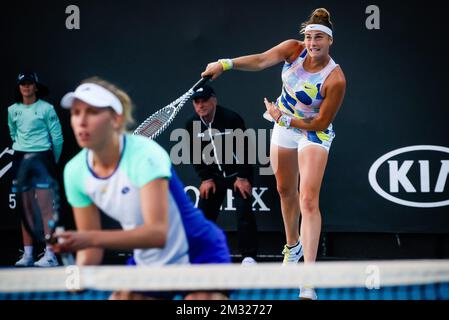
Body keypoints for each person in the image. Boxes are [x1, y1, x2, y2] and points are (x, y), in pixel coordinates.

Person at [201, 8, 346, 299]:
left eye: (319, 38)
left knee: (308, 198)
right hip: (283, 123)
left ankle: (308, 280)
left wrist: (284, 119)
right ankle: (293, 246)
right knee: (284, 190)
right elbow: (261, 60)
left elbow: (320, 122)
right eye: (308, 37)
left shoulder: (336, 79)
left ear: (330, 41)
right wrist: (225, 63)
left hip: (312, 132)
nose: (312, 43)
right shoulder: (293, 50)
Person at [54, 77, 231, 300]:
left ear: (116, 119)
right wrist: (75, 278)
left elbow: (157, 234)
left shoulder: (145, 155)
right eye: (76, 112)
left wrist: (88, 238)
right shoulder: (75, 172)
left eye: (92, 112)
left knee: (201, 302)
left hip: (199, 253)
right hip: (149, 262)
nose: (81, 121)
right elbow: (90, 251)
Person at [185, 85, 258, 264]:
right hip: (214, 178)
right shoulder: (191, 125)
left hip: (237, 175)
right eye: (197, 102)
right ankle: (200, 256)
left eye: (205, 100)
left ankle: (248, 257)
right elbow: (195, 154)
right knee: (202, 218)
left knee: (244, 215)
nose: (201, 105)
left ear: (214, 100)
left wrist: (242, 177)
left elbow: (245, 150)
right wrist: (206, 178)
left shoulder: (231, 119)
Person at [8, 71, 64, 267]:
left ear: (36, 87)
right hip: (21, 159)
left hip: (43, 158)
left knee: (46, 209)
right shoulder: (12, 110)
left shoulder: (47, 109)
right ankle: (29, 255)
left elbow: (57, 138)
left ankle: (50, 255)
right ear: (19, 87)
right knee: (26, 209)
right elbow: (13, 134)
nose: (26, 87)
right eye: (23, 84)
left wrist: (51, 160)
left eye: (30, 83)